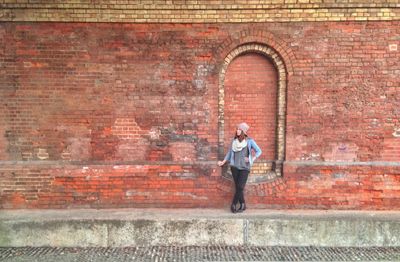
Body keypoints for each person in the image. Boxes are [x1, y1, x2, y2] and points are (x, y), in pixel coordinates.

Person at [218, 122, 262, 213]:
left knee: (240, 186)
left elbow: (259, 151)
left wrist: (251, 159)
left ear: (243, 131)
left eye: (239, 129)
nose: (237, 131)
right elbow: (230, 153)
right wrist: (223, 161)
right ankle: (243, 204)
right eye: (237, 129)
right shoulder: (234, 141)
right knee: (238, 187)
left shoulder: (249, 141)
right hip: (234, 167)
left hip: (245, 168)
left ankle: (233, 204)